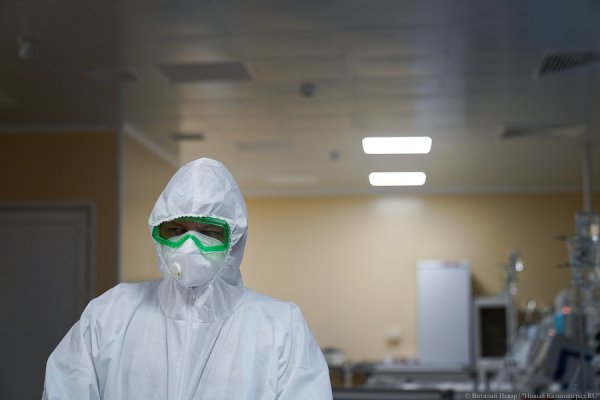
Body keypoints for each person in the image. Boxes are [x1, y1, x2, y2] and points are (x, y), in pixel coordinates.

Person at [43, 158, 332, 400]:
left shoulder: (280, 327)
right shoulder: (110, 314)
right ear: (158, 234)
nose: (190, 245)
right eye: (177, 230)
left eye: (209, 231)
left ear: (235, 239)